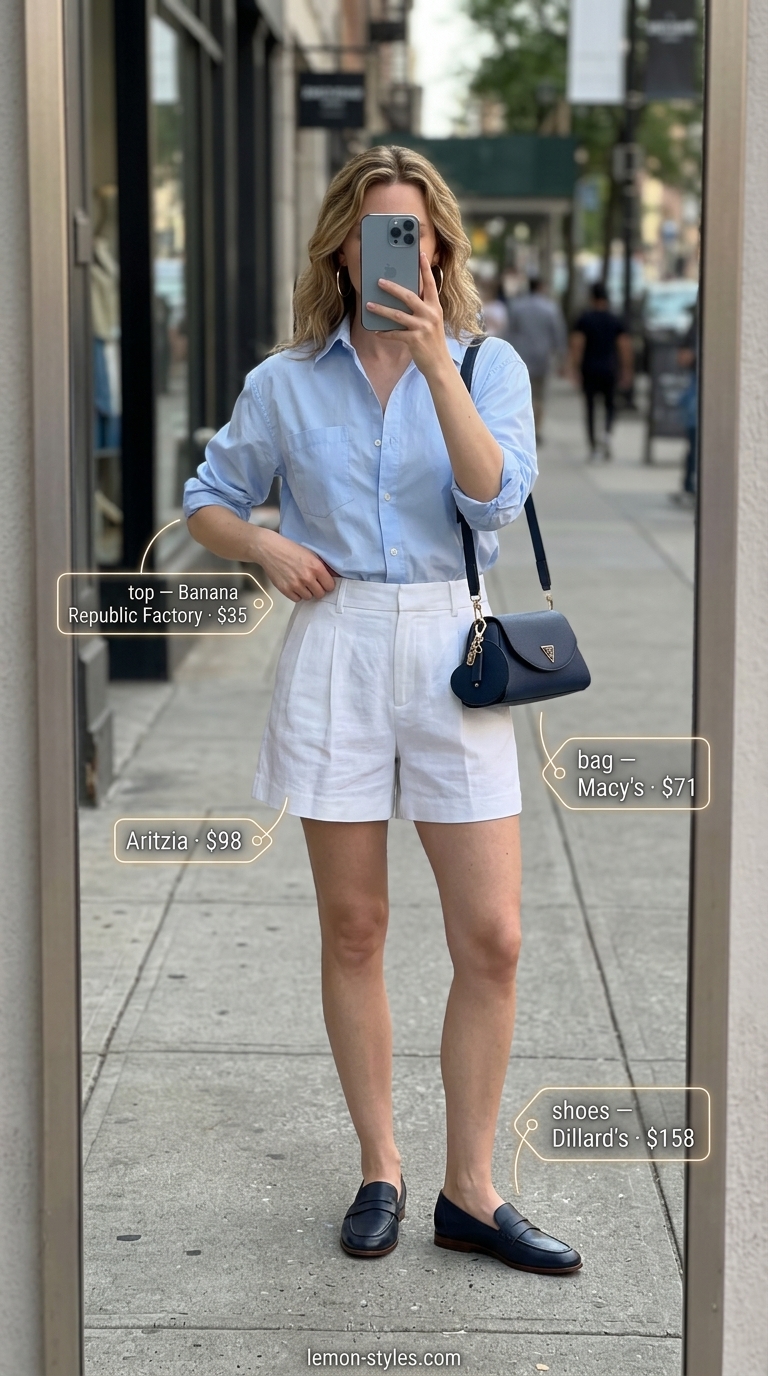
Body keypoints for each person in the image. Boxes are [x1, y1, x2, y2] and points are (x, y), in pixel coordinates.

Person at [183, 145, 581, 1277]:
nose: (389, 252)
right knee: (355, 926)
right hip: (339, 640)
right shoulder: (285, 382)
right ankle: (381, 1165)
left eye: (412, 233)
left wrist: (436, 366)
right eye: (369, 233)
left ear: (440, 249)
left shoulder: (488, 362)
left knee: (492, 937)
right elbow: (209, 498)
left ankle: (473, 1189)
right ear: (340, 250)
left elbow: (496, 494)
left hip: (452, 640)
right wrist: (264, 543)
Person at [569, 282, 634, 460]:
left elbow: (577, 344)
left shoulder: (585, 319)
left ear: (592, 298)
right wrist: (627, 370)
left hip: (589, 368)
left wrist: (574, 368)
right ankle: (606, 432)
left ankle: (593, 445)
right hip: (610, 368)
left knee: (590, 407)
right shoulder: (615, 319)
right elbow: (624, 347)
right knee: (610, 405)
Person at [507, 277, 567, 441]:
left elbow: (510, 332)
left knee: (522, 393)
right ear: (541, 287)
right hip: (542, 357)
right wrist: (561, 357)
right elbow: (558, 334)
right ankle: (536, 429)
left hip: (521, 356)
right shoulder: (550, 309)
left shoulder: (517, 307)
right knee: (540, 396)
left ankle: (523, 428)